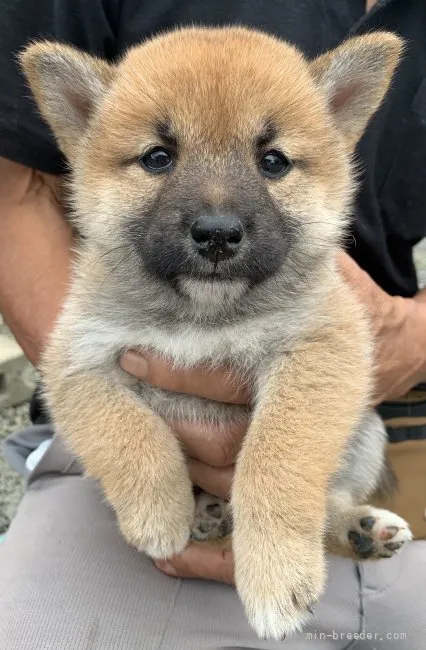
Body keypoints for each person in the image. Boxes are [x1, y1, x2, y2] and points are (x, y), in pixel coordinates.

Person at [0, 0, 425, 647]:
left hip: (395, 420)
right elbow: (74, 367)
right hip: (111, 498)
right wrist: (141, 469)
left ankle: (332, 523)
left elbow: (321, 364)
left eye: (274, 162)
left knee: (353, 447)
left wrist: (277, 508)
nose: (219, 214)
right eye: (158, 158)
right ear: (82, 121)